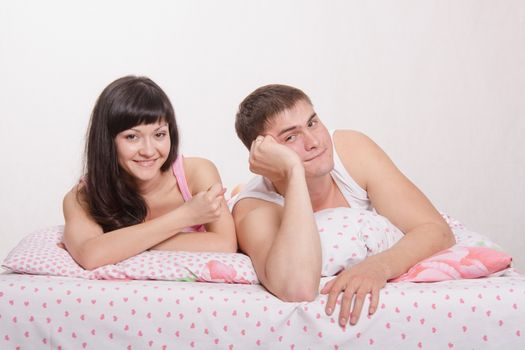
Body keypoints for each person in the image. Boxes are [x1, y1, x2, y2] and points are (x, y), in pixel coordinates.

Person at [230, 84, 456, 327]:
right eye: (291, 137)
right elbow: (298, 287)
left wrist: (378, 267)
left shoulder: (351, 149)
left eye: (312, 123)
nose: (314, 142)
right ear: (265, 153)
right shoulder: (253, 207)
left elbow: (437, 230)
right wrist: (293, 172)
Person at [63, 76, 236, 271]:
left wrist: (119, 243)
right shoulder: (83, 196)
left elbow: (225, 244)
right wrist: (186, 216)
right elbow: (91, 255)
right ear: (107, 140)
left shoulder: (196, 173)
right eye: (132, 137)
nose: (148, 150)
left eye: (159, 134)